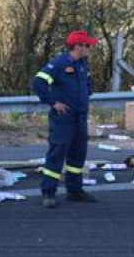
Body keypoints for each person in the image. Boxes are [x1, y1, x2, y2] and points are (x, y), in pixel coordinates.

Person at [31, 31, 99, 208]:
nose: (89, 48)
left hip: (80, 116)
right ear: (77, 46)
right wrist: (53, 102)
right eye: (87, 45)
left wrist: (86, 98)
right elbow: (39, 82)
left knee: (78, 154)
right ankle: (49, 193)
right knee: (57, 153)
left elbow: (86, 85)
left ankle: (74, 190)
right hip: (63, 118)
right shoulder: (59, 64)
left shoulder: (83, 64)